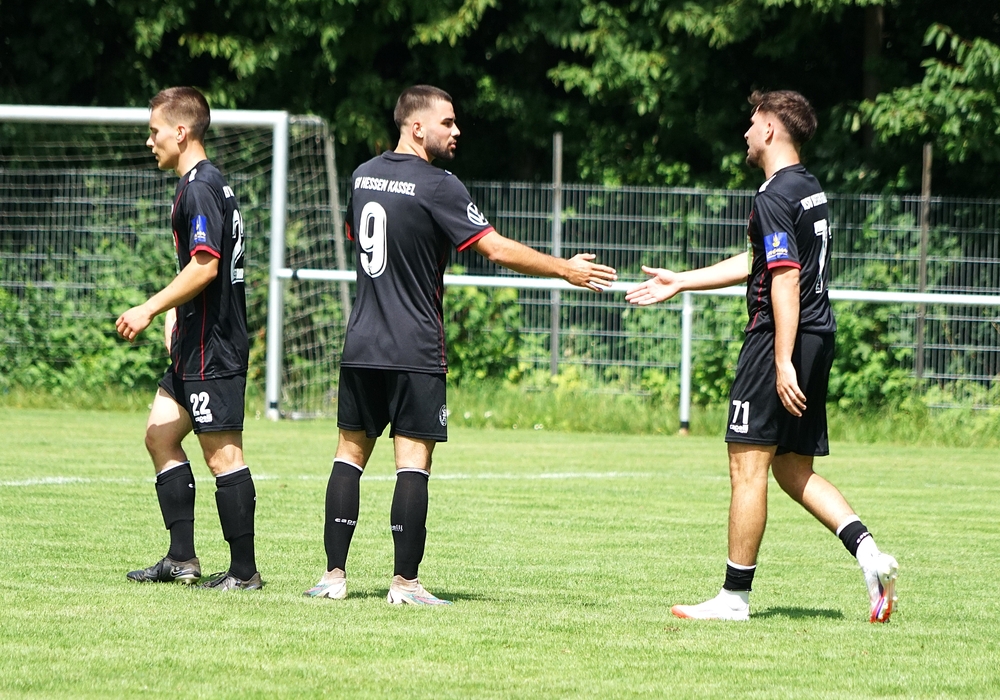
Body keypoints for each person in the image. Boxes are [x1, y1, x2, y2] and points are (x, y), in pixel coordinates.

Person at [304, 84, 618, 605]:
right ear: (416, 127)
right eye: (447, 122)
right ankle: (405, 584)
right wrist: (564, 268)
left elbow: (358, 238)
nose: (456, 131)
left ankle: (332, 578)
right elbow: (493, 248)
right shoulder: (438, 184)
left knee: (348, 456)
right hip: (415, 347)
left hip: (361, 343)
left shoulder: (361, 175)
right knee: (412, 463)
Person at [626, 90, 898, 622]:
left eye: (752, 123)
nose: (746, 133)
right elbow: (762, 260)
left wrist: (781, 358)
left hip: (781, 335)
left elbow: (784, 277)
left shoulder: (773, 195)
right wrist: (682, 281)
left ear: (771, 128)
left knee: (746, 464)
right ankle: (869, 555)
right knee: (792, 467)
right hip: (818, 334)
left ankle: (734, 598)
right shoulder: (807, 187)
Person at [116, 86, 261, 591]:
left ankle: (243, 572)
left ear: (180, 132)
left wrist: (151, 308)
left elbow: (205, 266)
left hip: (213, 346)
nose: (150, 140)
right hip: (193, 341)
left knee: (223, 456)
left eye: (154, 131)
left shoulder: (200, 187)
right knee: (159, 435)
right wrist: (177, 313)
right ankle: (181, 558)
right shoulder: (204, 183)